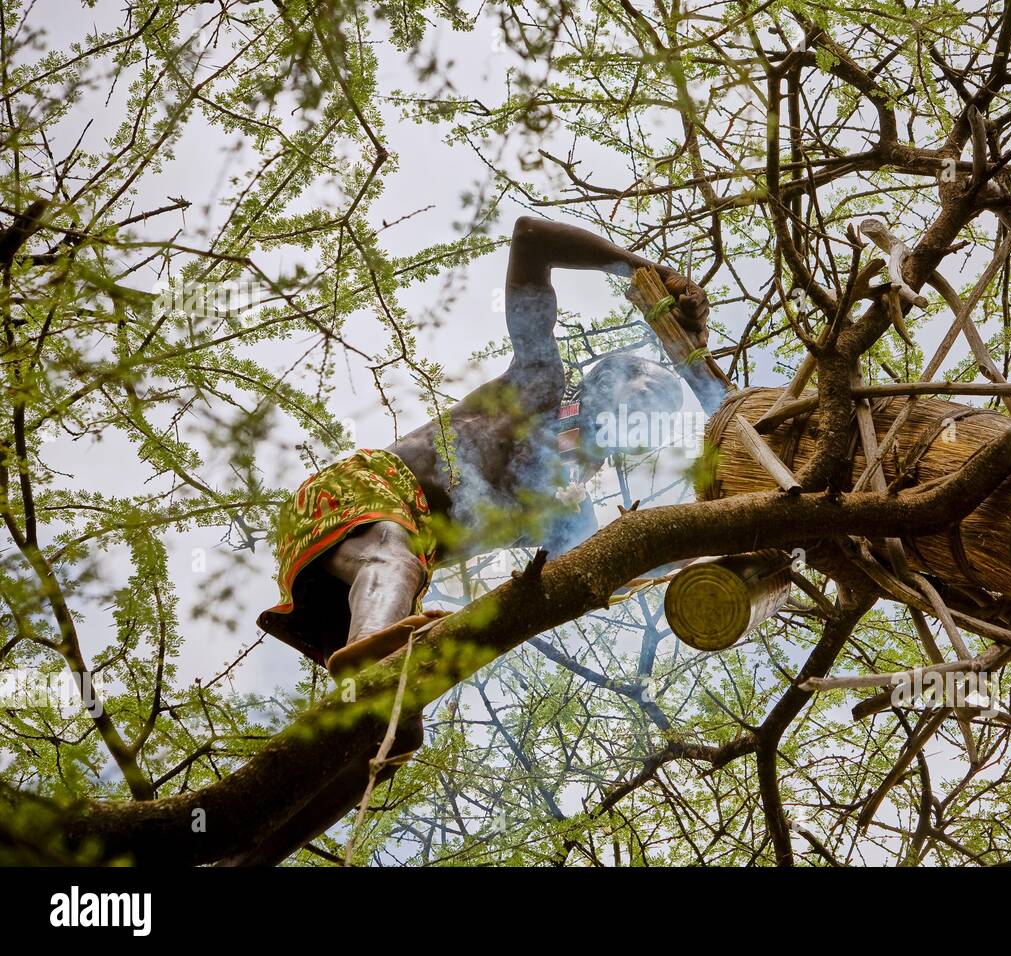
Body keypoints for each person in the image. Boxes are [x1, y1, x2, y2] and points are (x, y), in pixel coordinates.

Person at [232, 217, 710, 864]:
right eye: (641, 384)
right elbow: (529, 239)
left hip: (376, 581)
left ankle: (250, 856)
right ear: (601, 379)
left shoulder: (564, 515)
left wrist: (723, 541)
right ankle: (376, 671)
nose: (648, 401)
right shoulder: (538, 383)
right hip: (361, 499)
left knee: (390, 742)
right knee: (394, 559)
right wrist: (636, 268)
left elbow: (625, 562)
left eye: (655, 412)